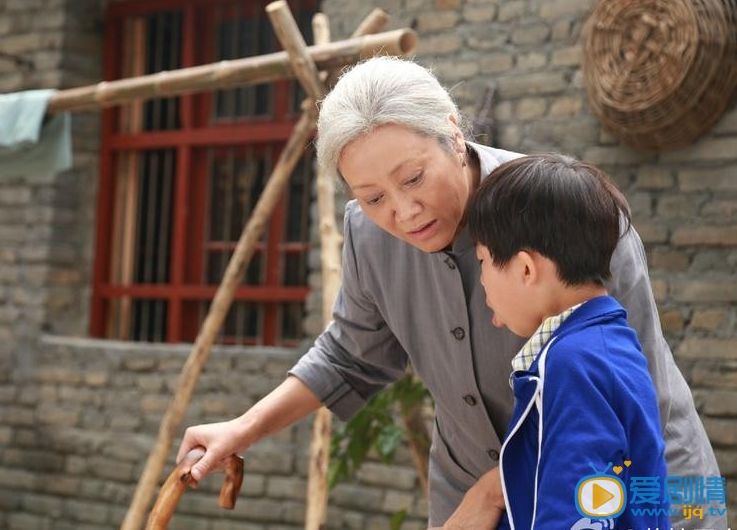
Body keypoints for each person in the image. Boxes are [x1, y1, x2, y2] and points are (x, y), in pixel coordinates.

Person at [176, 56, 725, 529]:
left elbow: (625, 399)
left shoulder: (569, 215)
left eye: (413, 179)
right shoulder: (368, 236)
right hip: (472, 504)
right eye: (372, 197)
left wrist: (493, 490)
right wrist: (242, 430)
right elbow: (348, 357)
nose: (402, 212)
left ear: (453, 132)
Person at [465, 154, 669, 530]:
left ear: (525, 269)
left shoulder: (570, 363)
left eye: (482, 262)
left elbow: (579, 508)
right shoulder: (607, 344)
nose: (482, 282)